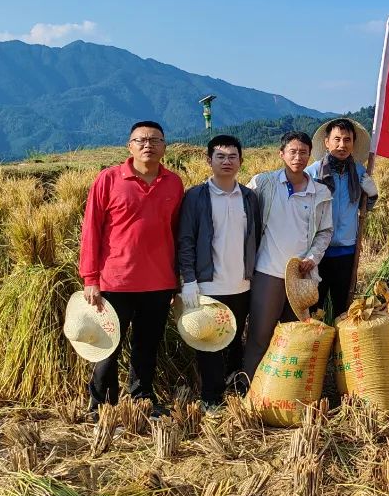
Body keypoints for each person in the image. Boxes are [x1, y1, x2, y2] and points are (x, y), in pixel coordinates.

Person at [79, 121, 184, 417]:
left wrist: (177, 280)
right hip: (115, 281)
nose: (148, 145)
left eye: (155, 140)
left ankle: (141, 397)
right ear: (130, 146)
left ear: (164, 146)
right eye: (141, 140)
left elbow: (176, 233)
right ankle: (100, 403)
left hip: (159, 281)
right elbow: (91, 231)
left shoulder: (174, 183)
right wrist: (90, 278)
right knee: (107, 345)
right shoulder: (108, 179)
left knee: (147, 345)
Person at [177, 135, 262, 405]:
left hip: (241, 284)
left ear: (240, 161)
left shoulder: (249, 197)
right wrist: (188, 279)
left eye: (232, 157)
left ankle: (234, 389)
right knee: (210, 342)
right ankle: (211, 398)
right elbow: (186, 240)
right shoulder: (195, 197)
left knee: (236, 339)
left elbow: (256, 235)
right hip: (208, 285)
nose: (227, 162)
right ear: (209, 160)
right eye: (220, 157)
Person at [242, 131, 333, 382]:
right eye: (292, 151)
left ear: (310, 155)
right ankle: (248, 386)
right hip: (268, 271)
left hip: (301, 276)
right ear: (281, 154)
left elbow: (325, 232)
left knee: (292, 335)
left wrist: (313, 258)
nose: (298, 157)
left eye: (303, 152)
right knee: (260, 334)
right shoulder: (264, 183)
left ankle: (283, 388)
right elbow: (241, 208)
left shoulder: (320, 193)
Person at [305, 118, 378, 321]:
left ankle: (339, 349)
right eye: (337, 139)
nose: (342, 145)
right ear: (327, 142)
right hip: (316, 252)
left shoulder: (359, 172)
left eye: (347, 140)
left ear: (353, 143)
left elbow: (365, 207)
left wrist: (372, 196)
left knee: (342, 307)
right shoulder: (312, 173)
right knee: (313, 305)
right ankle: (316, 347)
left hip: (346, 250)